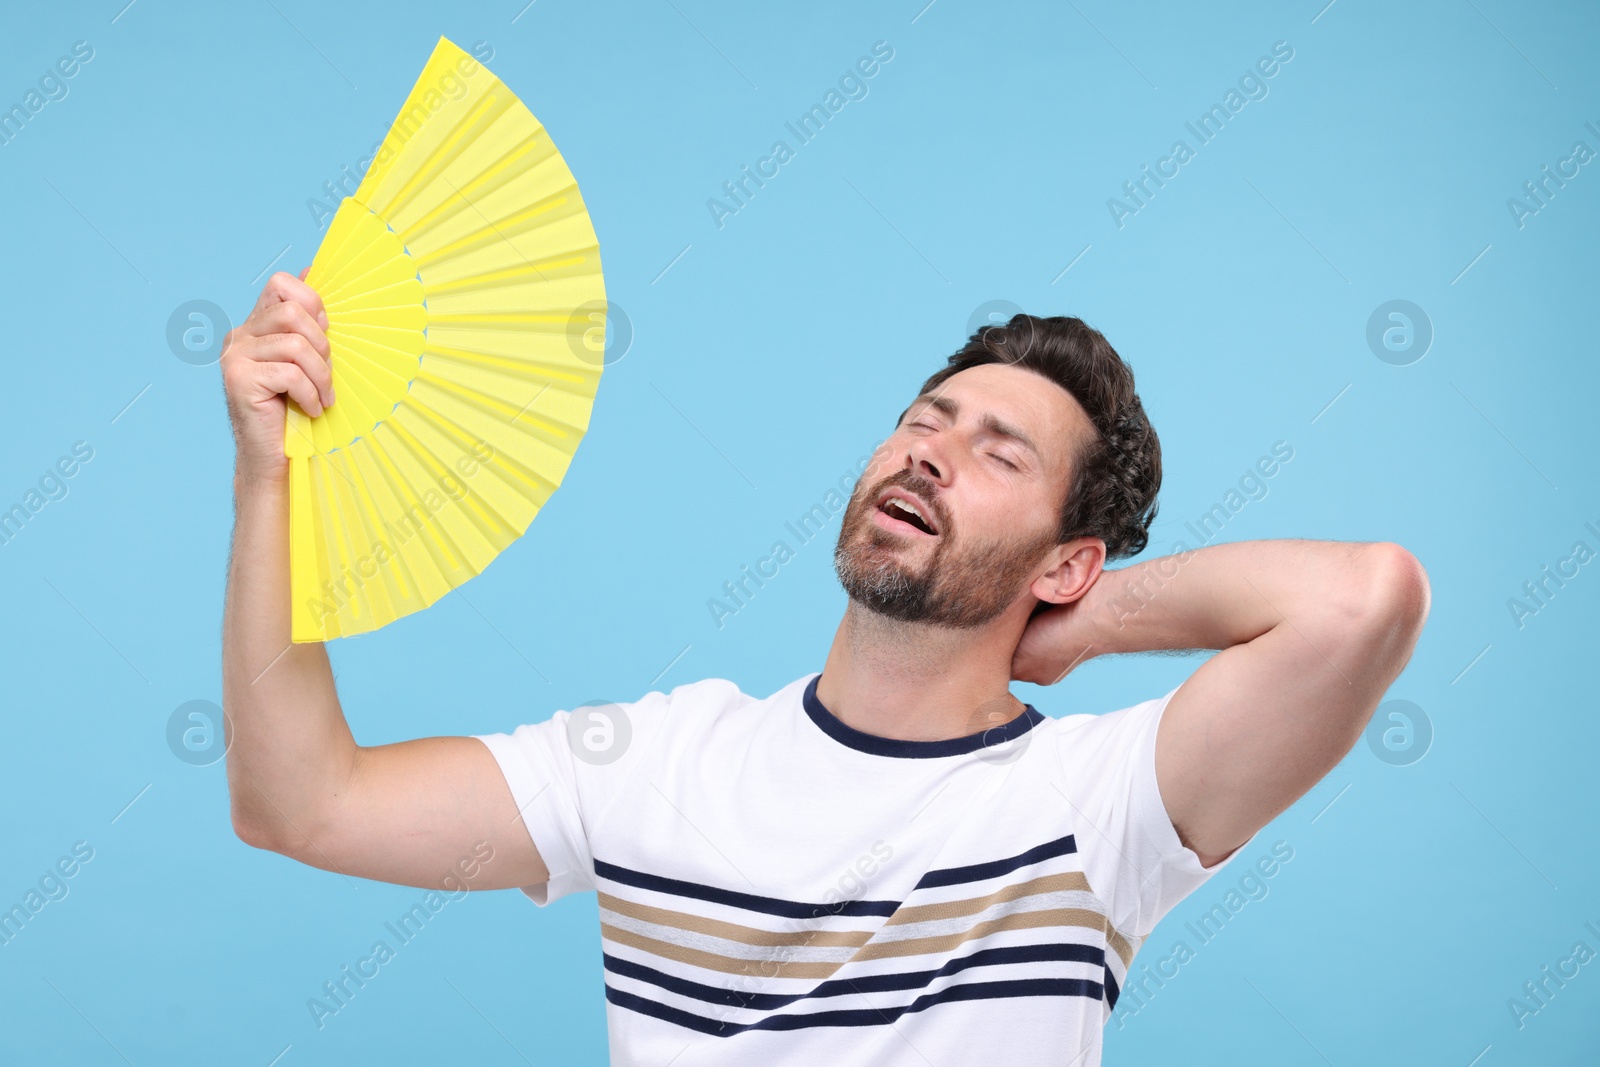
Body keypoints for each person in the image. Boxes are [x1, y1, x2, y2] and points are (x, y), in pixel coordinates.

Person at [219, 273, 1430, 1065]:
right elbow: (302, 801)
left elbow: (1363, 598)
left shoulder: (1102, 802)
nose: (932, 454)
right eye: (923, 418)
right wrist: (271, 474)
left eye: (997, 452)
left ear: (1067, 558)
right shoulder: (655, 758)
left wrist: (1088, 620)